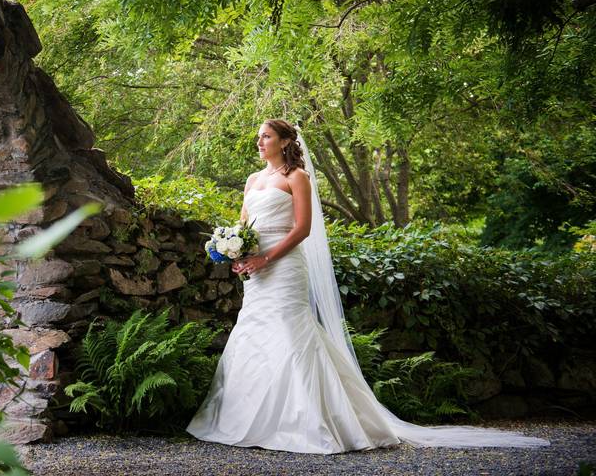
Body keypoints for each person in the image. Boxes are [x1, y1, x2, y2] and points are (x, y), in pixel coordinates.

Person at [185, 119, 550, 453]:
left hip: (284, 268)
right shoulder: (252, 180)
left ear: (283, 141)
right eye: (258, 137)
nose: (259, 141)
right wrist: (237, 251)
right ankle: (248, 419)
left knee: (289, 333)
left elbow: (303, 230)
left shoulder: (297, 177)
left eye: (266, 136)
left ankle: (306, 422)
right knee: (253, 333)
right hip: (255, 272)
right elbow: (244, 226)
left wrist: (266, 258)